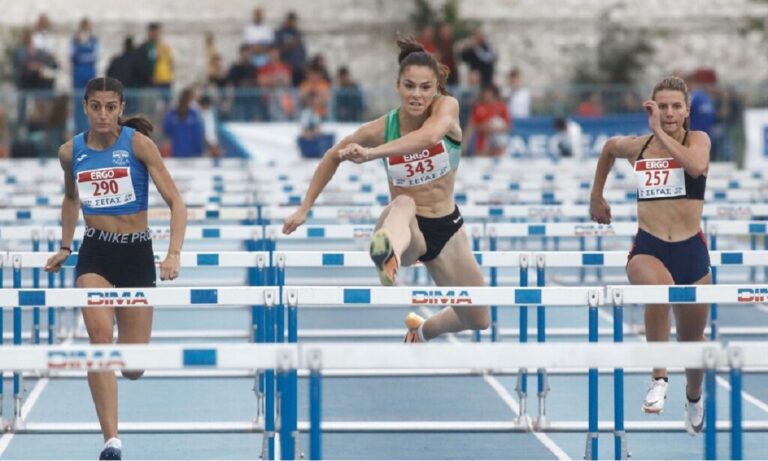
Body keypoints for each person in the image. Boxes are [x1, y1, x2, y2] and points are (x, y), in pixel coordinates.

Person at [283, 38, 489, 342]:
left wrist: (370, 154)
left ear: (436, 89)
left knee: (479, 319)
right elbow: (332, 156)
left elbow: (429, 137)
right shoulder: (379, 129)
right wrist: (304, 207)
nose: (417, 95)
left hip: (447, 227)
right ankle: (387, 252)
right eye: (409, 86)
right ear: (397, 86)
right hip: (408, 230)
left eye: (424, 87)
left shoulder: (447, 108)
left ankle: (422, 329)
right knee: (404, 202)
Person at [44, 76, 187, 460]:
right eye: (96, 107)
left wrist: (173, 253)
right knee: (99, 340)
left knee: (133, 366)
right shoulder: (70, 153)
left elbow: (177, 203)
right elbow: (71, 199)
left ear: (121, 109)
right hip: (96, 255)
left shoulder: (139, 145)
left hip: (137, 254)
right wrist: (64, 245)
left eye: (111, 107)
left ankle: (123, 389)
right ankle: (111, 441)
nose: (103, 114)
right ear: (85, 108)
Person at [589, 76, 710, 436]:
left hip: (691, 250)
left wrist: (661, 132)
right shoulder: (639, 147)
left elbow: (695, 167)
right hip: (649, 247)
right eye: (663, 106)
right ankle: (659, 377)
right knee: (659, 288)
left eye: (676, 106)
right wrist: (597, 195)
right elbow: (609, 149)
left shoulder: (698, 140)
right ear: (651, 107)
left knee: (693, 345)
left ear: (687, 111)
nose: (670, 113)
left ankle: (693, 396)